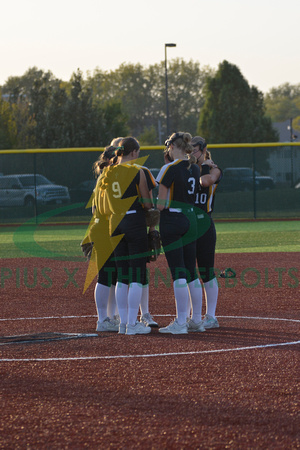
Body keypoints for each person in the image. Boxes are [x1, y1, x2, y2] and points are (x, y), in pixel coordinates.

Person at [99, 136, 153, 335]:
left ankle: (122, 324)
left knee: (121, 277)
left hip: (114, 223)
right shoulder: (136, 171)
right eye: (137, 153)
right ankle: (132, 323)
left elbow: (103, 204)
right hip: (133, 221)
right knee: (136, 275)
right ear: (133, 153)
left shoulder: (107, 172)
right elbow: (147, 203)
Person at [156, 132, 204, 334]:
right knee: (191, 272)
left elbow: (161, 204)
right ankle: (197, 320)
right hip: (191, 219)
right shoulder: (194, 167)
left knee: (178, 273)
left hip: (173, 219)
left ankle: (181, 322)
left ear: (171, 147)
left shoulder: (170, 167)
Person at [190, 135, 223, 329]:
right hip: (186, 225)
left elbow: (205, 181)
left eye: (193, 149)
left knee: (206, 271)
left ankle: (211, 316)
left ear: (202, 149)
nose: (190, 153)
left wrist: (197, 168)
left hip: (204, 223)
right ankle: (193, 316)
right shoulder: (186, 168)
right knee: (186, 271)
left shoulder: (213, 168)